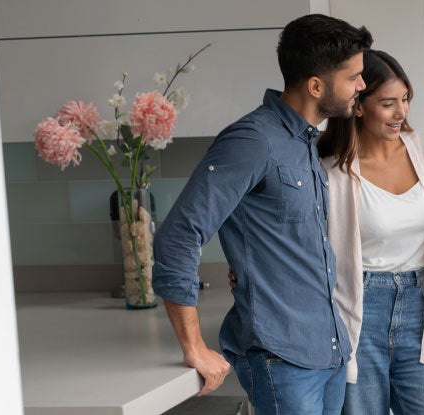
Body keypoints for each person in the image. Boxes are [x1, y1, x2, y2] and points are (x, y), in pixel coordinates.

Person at [233, 49, 424, 414]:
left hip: (419, 306)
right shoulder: (328, 168)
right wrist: (246, 267)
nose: (401, 113)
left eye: (406, 100)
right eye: (388, 103)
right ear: (359, 105)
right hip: (358, 312)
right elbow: (301, 240)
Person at [150, 14, 372, 415]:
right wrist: (194, 346)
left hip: (329, 352)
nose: (362, 85)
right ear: (316, 86)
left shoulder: (305, 141)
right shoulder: (252, 140)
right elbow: (179, 235)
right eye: (353, 76)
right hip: (282, 361)